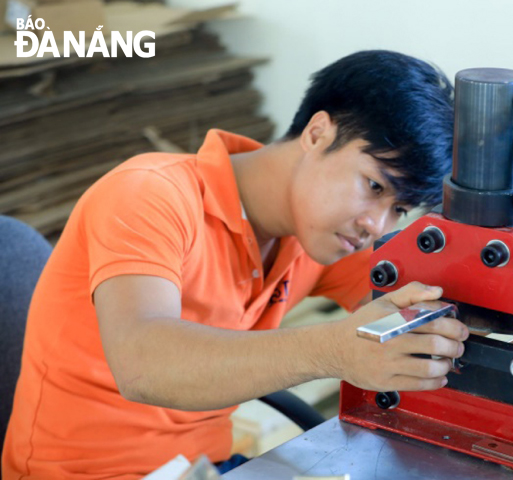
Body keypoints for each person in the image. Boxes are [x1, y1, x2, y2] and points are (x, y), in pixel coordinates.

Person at [2, 50, 467, 479]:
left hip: (206, 467)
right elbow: (143, 365)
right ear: (317, 132)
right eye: (374, 186)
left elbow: (415, 304)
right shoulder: (150, 193)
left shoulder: (319, 237)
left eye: (399, 210)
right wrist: (331, 350)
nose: (375, 223)